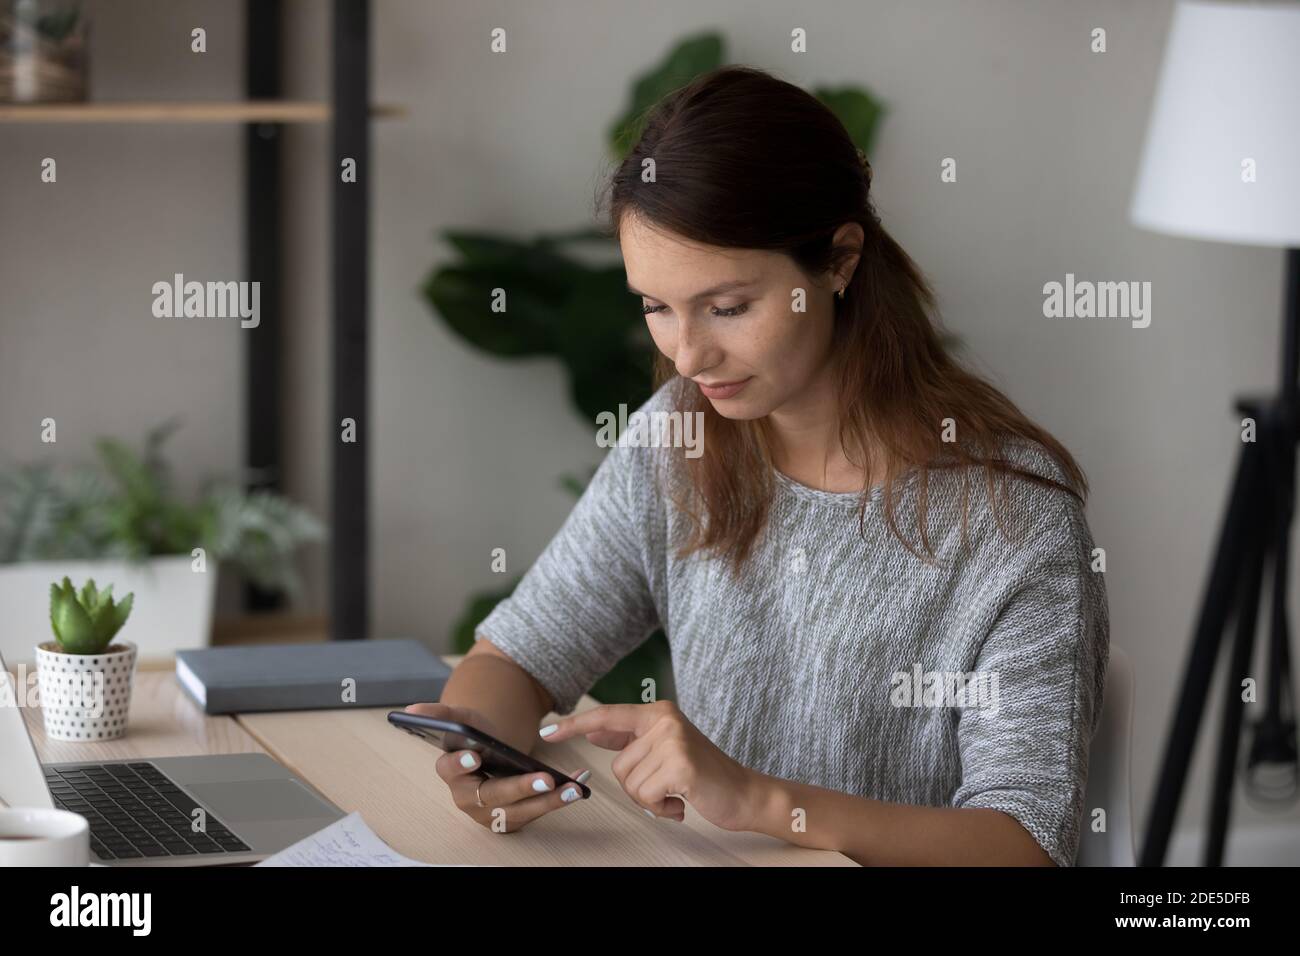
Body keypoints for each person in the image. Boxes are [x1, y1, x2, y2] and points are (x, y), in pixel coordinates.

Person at [406, 64, 1109, 866]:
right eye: (656, 307)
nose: (689, 353)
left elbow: (1026, 843)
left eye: (729, 307)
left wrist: (760, 801)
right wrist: (481, 751)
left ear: (840, 261)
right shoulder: (680, 436)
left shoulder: (1010, 518)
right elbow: (519, 654)